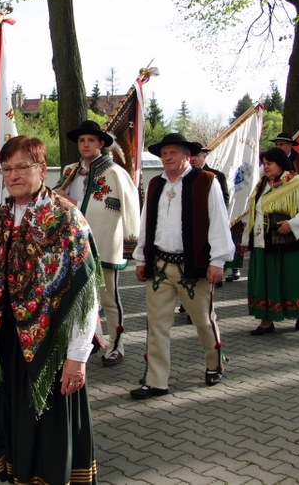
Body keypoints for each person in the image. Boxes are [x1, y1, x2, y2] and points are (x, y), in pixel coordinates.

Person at [0, 135, 99, 484]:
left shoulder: (65, 218)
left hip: (52, 346)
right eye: (6, 169)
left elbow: (84, 291)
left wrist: (78, 355)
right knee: (10, 421)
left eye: (22, 167)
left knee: (49, 431)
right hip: (7, 343)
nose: (13, 175)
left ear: (42, 170)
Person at [130, 133, 234, 400]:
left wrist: (218, 260)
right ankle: (156, 381)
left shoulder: (206, 182)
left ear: (188, 155)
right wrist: (141, 258)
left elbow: (219, 222)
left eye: (174, 152)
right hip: (160, 265)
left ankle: (214, 363)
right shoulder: (155, 184)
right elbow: (145, 224)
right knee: (156, 325)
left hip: (193, 266)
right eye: (164, 153)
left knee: (203, 321)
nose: (168, 157)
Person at [54, 120, 140, 367]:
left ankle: (117, 344)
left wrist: (130, 244)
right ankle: (85, 342)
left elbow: (132, 207)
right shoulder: (70, 170)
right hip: (71, 246)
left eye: (91, 140)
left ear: (101, 144)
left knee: (109, 298)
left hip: (103, 244)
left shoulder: (114, 172)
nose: (85, 144)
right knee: (74, 297)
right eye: (82, 140)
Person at [244, 147, 299, 334]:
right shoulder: (262, 185)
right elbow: (255, 212)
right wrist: (246, 237)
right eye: (263, 164)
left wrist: (291, 224)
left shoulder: (298, 182)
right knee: (265, 281)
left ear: (280, 163)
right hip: (263, 242)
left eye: (269, 163)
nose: (265, 167)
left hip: (290, 242)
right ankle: (266, 321)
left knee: (293, 279)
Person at [190, 146, 230, 290]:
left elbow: (224, 201)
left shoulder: (215, 175)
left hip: (209, 227)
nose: (193, 159)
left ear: (204, 156)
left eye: (196, 155)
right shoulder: (183, 177)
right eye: (190, 155)